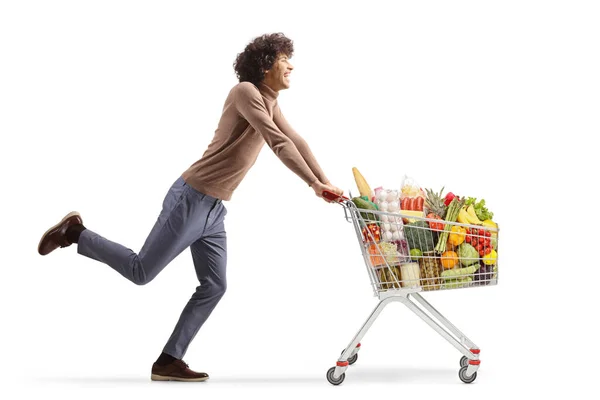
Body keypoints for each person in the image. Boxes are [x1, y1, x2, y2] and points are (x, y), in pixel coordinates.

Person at [37, 32, 344, 382]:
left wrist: (325, 180)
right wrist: (313, 185)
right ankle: (75, 232)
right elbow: (277, 142)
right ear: (264, 65)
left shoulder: (271, 101)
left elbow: (295, 140)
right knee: (141, 272)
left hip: (214, 211)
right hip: (192, 198)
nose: (291, 64)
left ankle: (168, 360)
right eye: (283, 58)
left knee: (215, 285)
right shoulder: (245, 92)